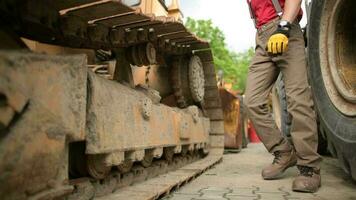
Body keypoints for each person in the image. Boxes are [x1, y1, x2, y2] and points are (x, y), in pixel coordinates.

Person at [244, 0, 322, 193]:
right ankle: (283, 152)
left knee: (298, 99)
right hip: (262, 36)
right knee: (252, 101)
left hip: (284, 28)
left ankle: (309, 167)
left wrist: (284, 26)